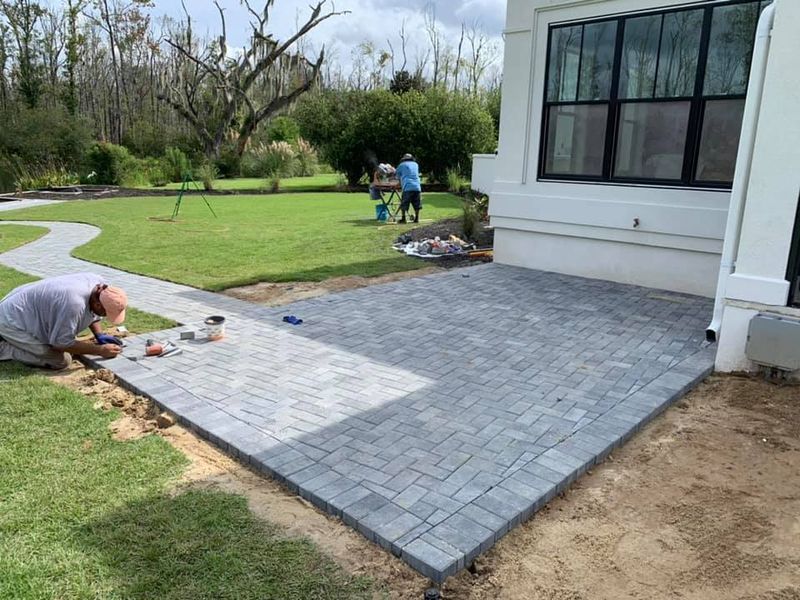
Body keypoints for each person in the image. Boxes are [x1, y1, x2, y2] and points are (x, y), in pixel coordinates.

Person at [0, 273, 128, 370]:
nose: (105, 316)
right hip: (11, 321)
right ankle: (5, 348)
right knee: (61, 360)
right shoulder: (74, 304)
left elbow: (92, 312)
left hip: (22, 309)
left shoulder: (99, 285)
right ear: (98, 304)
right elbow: (60, 344)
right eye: (106, 313)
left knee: (68, 342)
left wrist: (99, 334)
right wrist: (100, 350)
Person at [395, 153, 422, 224]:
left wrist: (399, 183)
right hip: (417, 186)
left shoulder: (401, 165)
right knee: (417, 204)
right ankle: (416, 218)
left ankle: (403, 219)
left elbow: (397, 176)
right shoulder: (416, 164)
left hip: (407, 186)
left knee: (404, 204)